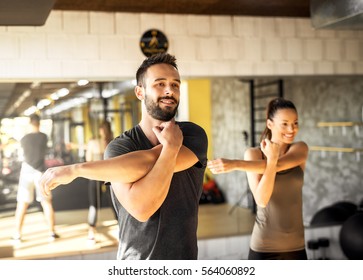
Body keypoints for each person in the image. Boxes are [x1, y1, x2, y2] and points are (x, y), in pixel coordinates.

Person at [38, 53, 208, 260]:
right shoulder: (120, 148)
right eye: (160, 84)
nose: (169, 90)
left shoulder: (192, 135)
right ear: (139, 92)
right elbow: (141, 208)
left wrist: (77, 169)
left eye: (175, 85)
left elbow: (147, 161)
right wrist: (171, 149)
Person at [207, 97, 309, 260]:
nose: (292, 129)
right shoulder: (254, 154)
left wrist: (235, 164)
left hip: (296, 247)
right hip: (264, 247)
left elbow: (279, 166)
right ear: (270, 124)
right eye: (285, 123)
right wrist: (271, 159)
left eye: (295, 123)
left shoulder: (300, 149)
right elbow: (261, 200)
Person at [13, 114, 59, 241]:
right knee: (46, 202)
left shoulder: (24, 138)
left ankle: (17, 234)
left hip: (26, 171)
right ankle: (52, 232)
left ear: (30, 123)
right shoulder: (44, 137)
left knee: (22, 203)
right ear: (39, 123)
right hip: (40, 172)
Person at [85, 120, 115, 241]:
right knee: (112, 202)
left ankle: (91, 231)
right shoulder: (113, 142)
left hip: (100, 175)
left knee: (95, 204)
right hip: (106, 175)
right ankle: (92, 229)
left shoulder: (95, 142)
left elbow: (88, 160)